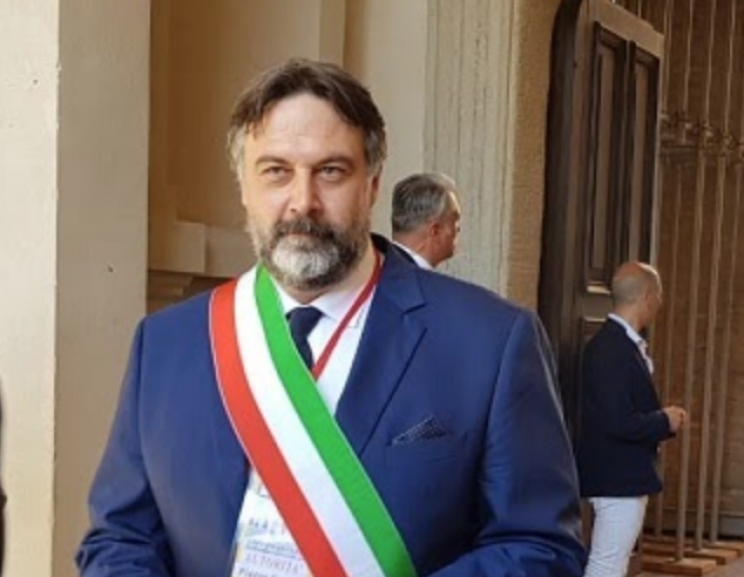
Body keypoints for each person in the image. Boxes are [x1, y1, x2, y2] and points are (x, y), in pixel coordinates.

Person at [77, 58, 585, 577]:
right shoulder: (167, 343)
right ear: (244, 187)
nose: (303, 202)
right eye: (276, 171)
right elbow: (120, 538)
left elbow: (540, 545)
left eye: (331, 171)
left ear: (372, 184)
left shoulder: (490, 341)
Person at [576, 262, 686, 577]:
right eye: (659, 296)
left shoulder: (620, 345)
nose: (660, 303)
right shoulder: (612, 349)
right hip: (617, 476)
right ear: (648, 297)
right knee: (608, 564)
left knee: (612, 562)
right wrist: (665, 420)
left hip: (618, 474)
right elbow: (617, 422)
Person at [391, 172, 461, 269]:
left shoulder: (381, 267)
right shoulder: (410, 275)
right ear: (435, 230)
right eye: (454, 219)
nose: (458, 228)